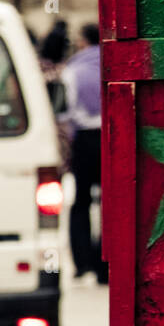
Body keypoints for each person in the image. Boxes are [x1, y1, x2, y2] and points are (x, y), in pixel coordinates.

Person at [58, 22, 107, 283]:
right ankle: (105, 264)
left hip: (84, 140)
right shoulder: (111, 62)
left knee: (81, 202)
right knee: (109, 202)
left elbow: (65, 112)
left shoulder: (73, 71)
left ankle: (82, 261)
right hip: (111, 138)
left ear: (83, 41)